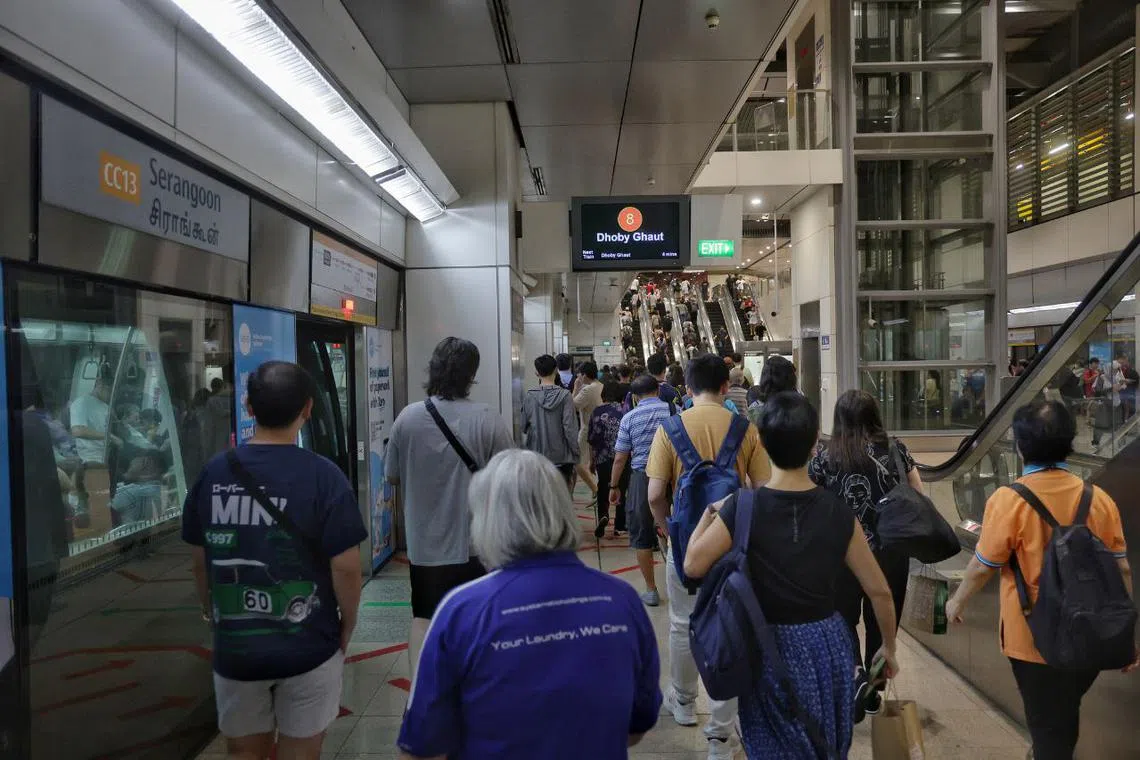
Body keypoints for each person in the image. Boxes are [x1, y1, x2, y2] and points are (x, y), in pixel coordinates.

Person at [398, 449, 661, 759]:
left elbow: (421, 748)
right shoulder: (622, 600)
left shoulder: (462, 611)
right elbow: (637, 725)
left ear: (487, 520)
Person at [685, 392, 900, 758]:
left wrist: (708, 515)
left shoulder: (743, 507)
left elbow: (693, 564)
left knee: (773, 742)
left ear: (762, 441)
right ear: (815, 440)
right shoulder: (838, 511)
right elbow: (879, 591)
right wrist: (889, 648)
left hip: (766, 646)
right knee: (824, 740)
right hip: (826, 643)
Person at [183, 361, 367, 760]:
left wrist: (211, 611)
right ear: (308, 409)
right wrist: (348, 624)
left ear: (248, 407)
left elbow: (200, 559)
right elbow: (347, 566)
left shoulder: (213, 474)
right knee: (301, 751)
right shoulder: (325, 477)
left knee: (243, 752)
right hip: (309, 646)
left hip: (237, 649)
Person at [946, 400, 1137, 760]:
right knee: (1061, 713)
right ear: (1070, 442)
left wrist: (956, 601)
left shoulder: (1009, 501)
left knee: (1049, 725)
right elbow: (1122, 570)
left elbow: (984, 566)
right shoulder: (1099, 500)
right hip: (1090, 632)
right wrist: (1124, 633)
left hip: (1032, 637)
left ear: (1021, 446)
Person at [646, 353, 772, 759]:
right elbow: (763, 489)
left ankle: (683, 702)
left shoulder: (670, 429)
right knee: (729, 628)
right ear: (724, 387)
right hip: (733, 546)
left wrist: (667, 529)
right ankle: (720, 734)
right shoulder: (745, 429)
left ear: (687, 387)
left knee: (682, 624)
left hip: (686, 543)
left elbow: (654, 494)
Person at [385, 338, 514, 678]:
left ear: (434, 368)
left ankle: (421, 692)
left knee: (424, 617)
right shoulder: (488, 418)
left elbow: (392, 476)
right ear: (471, 375)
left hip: (425, 548)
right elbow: (509, 478)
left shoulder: (408, 418)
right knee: (479, 618)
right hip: (477, 544)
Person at [808, 389, 925, 720]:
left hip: (841, 555)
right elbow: (918, 494)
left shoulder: (826, 457)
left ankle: (855, 677)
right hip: (891, 553)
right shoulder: (897, 450)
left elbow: (809, 498)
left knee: (843, 620)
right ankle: (872, 688)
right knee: (881, 622)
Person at [610, 374, 674, 607]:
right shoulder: (673, 411)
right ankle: (679, 582)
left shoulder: (629, 418)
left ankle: (651, 590)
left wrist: (614, 486)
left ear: (635, 397)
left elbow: (620, 458)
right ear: (658, 390)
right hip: (673, 477)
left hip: (642, 478)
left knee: (641, 534)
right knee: (676, 527)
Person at [522, 355, 580, 489]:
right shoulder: (565, 396)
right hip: (562, 458)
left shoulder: (530, 396)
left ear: (536, 373)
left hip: (537, 457)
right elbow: (570, 428)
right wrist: (576, 453)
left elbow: (524, 427)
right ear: (555, 370)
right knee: (562, 497)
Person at [588, 381, 628, 539]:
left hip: (602, 458)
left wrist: (592, 461)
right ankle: (619, 525)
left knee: (603, 487)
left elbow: (592, 439)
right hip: (621, 456)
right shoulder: (624, 411)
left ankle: (603, 514)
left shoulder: (596, 412)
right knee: (621, 488)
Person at [572, 362, 603, 503]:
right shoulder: (600, 385)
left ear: (584, 375)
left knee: (577, 462)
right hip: (599, 428)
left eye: (579, 374)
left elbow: (572, 405)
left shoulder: (588, 390)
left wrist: (575, 388)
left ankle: (595, 489)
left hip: (587, 429)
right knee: (593, 462)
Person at [1118, 354, 1138, 419]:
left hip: (1129, 392)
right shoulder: (1120, 371)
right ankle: (1125, 420)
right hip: (1122, 392)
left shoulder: (1132, 371)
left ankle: (1128, 419)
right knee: (1125, 409)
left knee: (1130, 409)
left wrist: (1127, 382)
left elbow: (1136, 381)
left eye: (1124, 361)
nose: (1122, 364)